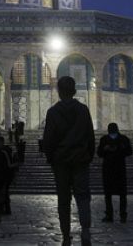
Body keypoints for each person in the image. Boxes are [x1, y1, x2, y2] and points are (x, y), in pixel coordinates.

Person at [41, 76, 95, 246]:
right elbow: (90, 137)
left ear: (59, 91)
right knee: (83, 196)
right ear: (74, 91)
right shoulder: (83, 110)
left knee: (63, 199)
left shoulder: (53, 112)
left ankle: (66, 235)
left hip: (61, 162)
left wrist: (52, 158)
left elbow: (48, 139)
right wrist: (88, 156)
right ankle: (85, 230)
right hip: (80, 160)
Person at [97, 122, 133, 223]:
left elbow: (129, 151)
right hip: (114, 169)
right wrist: (106, 149)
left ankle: (111, 215)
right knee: (119, 194)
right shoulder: (122, 139)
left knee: (111, 194)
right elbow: (100, 153)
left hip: (115, 169)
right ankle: (122, 215)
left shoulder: (106, 139)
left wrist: (120, 148)